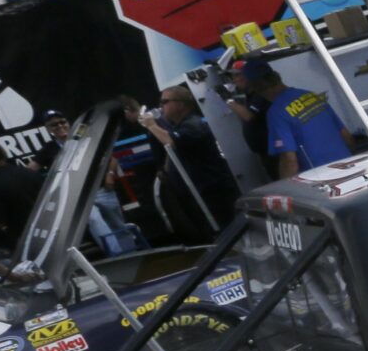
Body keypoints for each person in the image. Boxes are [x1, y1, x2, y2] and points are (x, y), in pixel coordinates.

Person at [134, 82, 241, 239]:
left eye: (165, 102)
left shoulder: (193, 125)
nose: (161, 106)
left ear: (180, 105)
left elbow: (171, 141)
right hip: (203, 187)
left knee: (228, 228)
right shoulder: (180, 125)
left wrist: (151, 125)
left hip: (214, 187)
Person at [240, 59, 355, 177]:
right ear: (276, 76)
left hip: (322, 177)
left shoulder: (276, 113)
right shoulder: (311, 95)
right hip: (349, 167)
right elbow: (347, 137)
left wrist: (286, 186)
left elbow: (290, 162)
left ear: (256, 87)